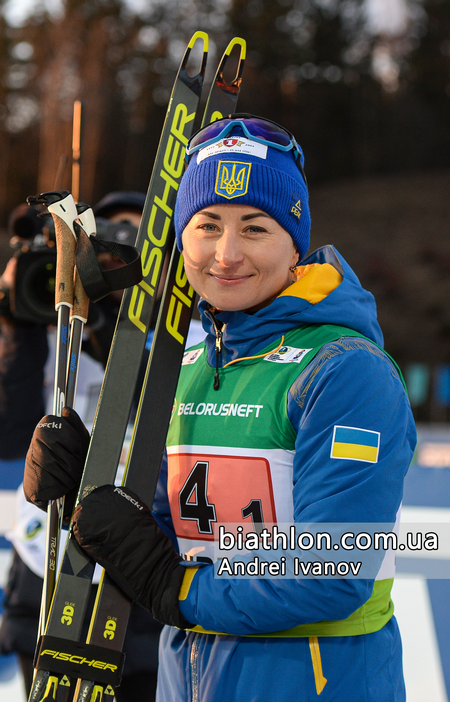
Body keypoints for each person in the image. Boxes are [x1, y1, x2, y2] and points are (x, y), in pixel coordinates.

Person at [24, 115, 416, 702]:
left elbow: (334, 569)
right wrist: (88, 488)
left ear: (294, 241)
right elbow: (163, 531)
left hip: (314, 683)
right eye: (207, 225)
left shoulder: (342, 370)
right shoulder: (189, 361)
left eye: (255, 228)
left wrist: (176, 589)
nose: (226, 254)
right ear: (182, 236)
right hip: (190, 678)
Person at [0, 192, 205, 700]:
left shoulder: (196, 336)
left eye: (143, 244)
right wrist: (15, 321)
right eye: (113, 239)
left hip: (140, 580)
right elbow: (8, 428)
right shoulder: (57, 325)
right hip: (50, 571)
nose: (127, 260)